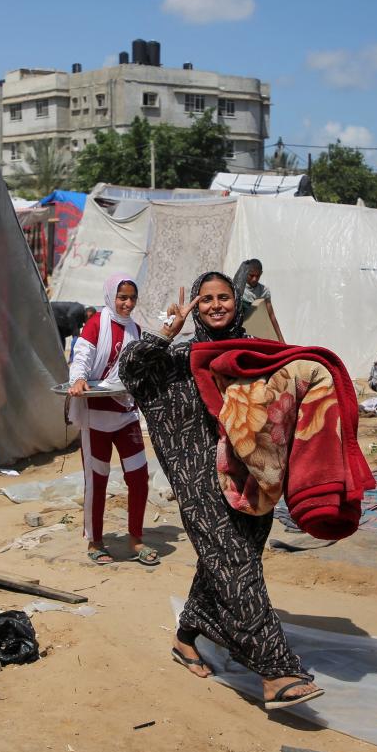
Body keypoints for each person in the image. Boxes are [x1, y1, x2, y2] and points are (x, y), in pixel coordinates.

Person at [119, 272, 323, 712]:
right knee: (232, 563)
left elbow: (287, 389)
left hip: (252, 475)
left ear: (236, 301)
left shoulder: (253, 353)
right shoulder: (177, 357)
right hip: (198, 478)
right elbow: (130, 370)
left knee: (234, 561)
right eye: (206, 298)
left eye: (223, 297)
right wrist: (165, 333)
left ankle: (186, 634)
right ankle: (276, 670)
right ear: (195, 304)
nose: (215, 305)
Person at [67, 273, 156, 567]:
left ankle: (135, 537)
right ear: (110, 297)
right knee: (97, 480)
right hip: (96, 417)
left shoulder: (136, 330)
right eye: (122, 297)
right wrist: (79, 378)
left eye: (132, 298)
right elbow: (81, 354)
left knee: (139, 477)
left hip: (125, 413)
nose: (127, 303)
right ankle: (95, 540)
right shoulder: (96, 324)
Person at [237, 259, 284, 341]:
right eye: (251, 275)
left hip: (256, 330)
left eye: (257, 276)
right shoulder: (239, 288)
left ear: (261, 273)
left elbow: (271, 315)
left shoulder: (264, 291)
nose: (254, 279)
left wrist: (280, 338)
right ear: (246, 273)